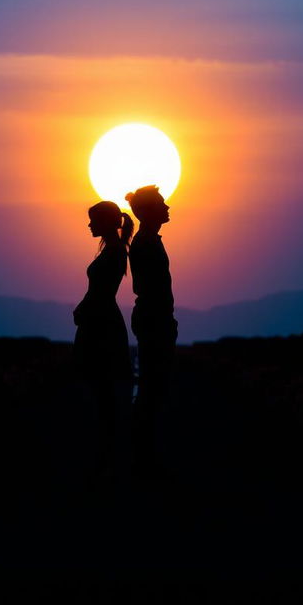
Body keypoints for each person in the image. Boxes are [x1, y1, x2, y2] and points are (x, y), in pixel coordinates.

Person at [73, 200, 134, 477]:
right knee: (102, 389)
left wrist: (84, 309)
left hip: (101, 324)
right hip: (99, 320)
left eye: (93, 220)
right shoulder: (113, 250)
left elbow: (101, 292)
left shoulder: (114, 252)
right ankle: (107, 451)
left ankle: (107, 455)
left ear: (107, 222)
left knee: (103, 388)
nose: (89, 225)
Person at [125, 185, 178, 475]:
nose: (167, 207)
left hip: (156, 319)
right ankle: (143, 458)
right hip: (154, 319)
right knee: (152, 390)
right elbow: (147, 288)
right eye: (161, 203)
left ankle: (144, 454)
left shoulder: (149, 240)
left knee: (153, 388)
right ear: (146, 211)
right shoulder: (145, 242)